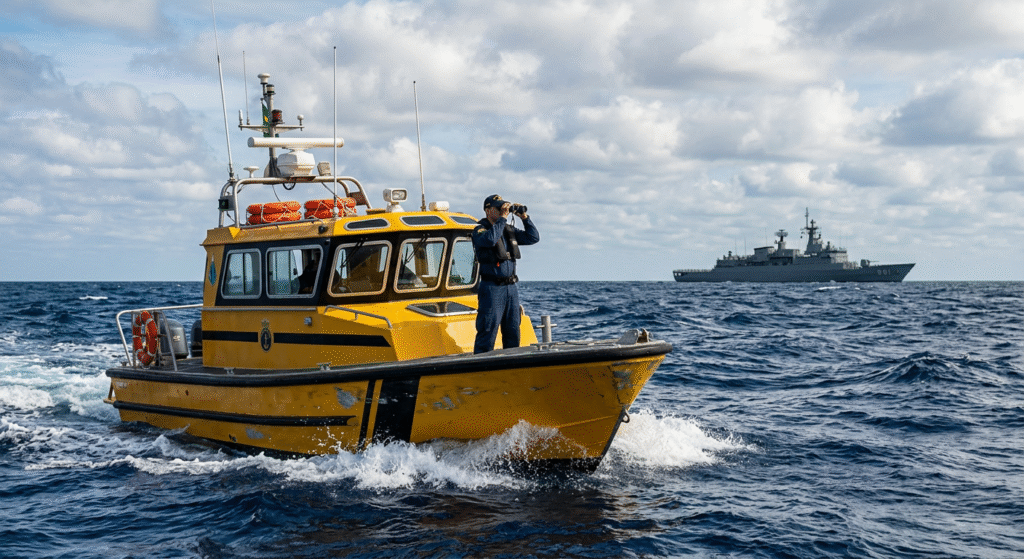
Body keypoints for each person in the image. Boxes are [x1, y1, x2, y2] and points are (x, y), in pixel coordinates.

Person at [472, 194, 540, 353]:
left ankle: (511, 367)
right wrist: (502, 219)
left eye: (505, 208)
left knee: (513, 330)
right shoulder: (480, 230)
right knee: (487, 331)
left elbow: (533, 237)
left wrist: (524, 217)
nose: (504, 212)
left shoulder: (508, 230)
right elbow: (489, 240)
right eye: (499, 208)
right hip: (492, 288)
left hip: (511, 289)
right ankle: (481, 367)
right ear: (488, 211)